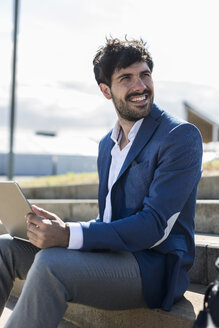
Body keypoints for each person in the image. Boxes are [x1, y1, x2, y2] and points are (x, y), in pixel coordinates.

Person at [0, 37, 203, 328]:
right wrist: (61, 229)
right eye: (126, 78)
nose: (140, 86)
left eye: (145, 75)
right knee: (5, 248)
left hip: (152, 268)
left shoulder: (180, 137)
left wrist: (70, 234)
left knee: (50, 265)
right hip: (111, 256)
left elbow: (153, 226)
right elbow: (109, 218)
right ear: (106, 90)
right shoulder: (106, 146)